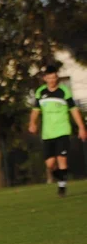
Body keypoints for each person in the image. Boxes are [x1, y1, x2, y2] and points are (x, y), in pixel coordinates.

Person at [28, 63, 87, 196]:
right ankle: (62, 177)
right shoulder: (40, 92)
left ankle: (62, 187)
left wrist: (81, 127)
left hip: (62, 130)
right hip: (47, 133)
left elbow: (74, 110)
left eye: (54, 78)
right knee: (50, 164)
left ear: (57, 78)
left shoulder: (64, 91)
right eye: (49, 78)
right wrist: (32, 123)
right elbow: (35, 111)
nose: (52, 80)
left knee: (62, 159)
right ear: (45, 78)